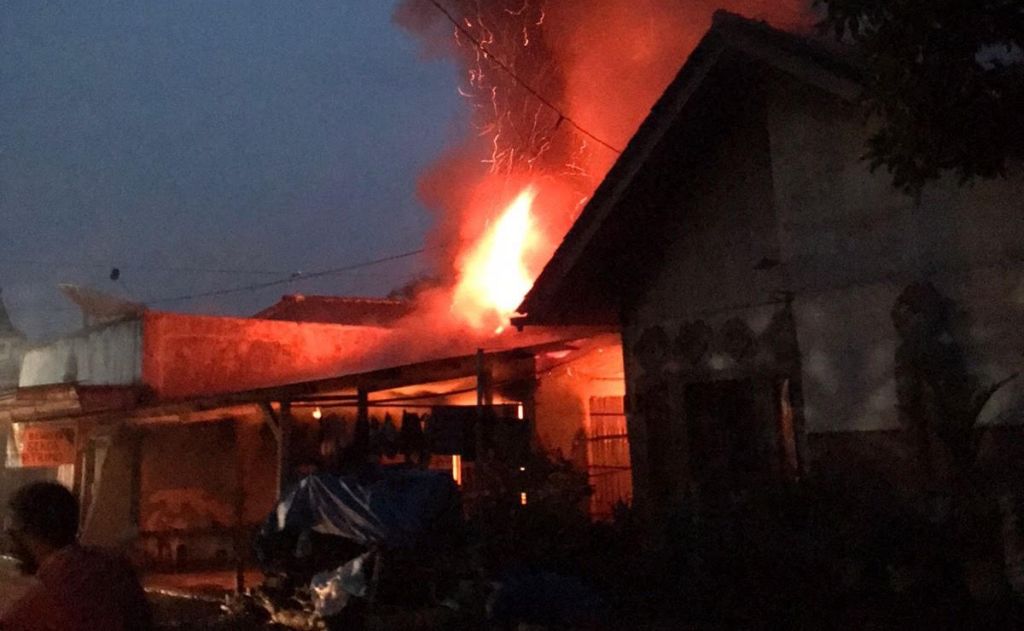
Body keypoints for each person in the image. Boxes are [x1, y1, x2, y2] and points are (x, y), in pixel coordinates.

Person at [0, 481, 152, 630]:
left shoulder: (55, 587)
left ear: (26, 532)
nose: (8, 545)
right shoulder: (113, 569)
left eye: (9, 533)